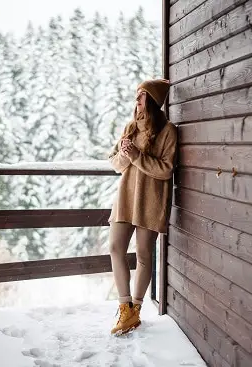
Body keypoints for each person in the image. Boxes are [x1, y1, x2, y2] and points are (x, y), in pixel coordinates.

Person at [107, 78, 177, 336]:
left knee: (144, 255)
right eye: (136, 97)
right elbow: (115, 164)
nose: (136, 101)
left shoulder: (168, 131)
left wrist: (138, 157)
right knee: (115, 247)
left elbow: (166, 170)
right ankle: (124, 306)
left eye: (140, 96)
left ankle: (135, 311)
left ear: (152, 101)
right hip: (126, 197)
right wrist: (125, 156)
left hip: (150, 199)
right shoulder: (130, 127)